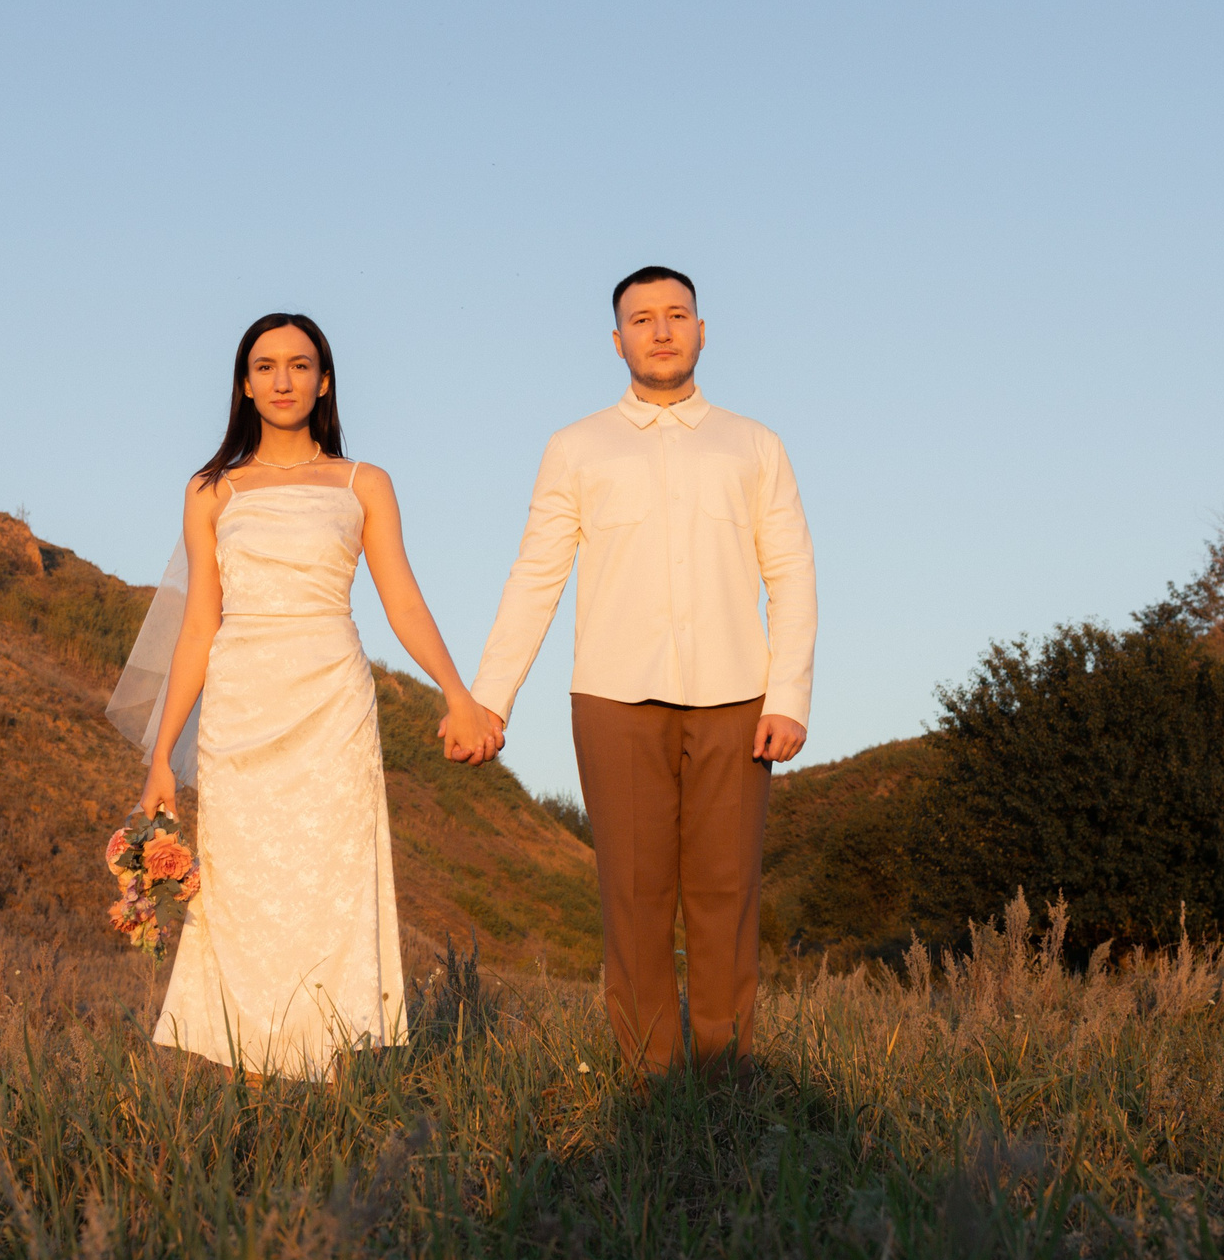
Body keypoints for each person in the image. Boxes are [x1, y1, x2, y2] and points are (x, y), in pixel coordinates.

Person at [115, 311, 501, 1082]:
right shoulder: (211, 489)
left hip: (331, 701)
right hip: (241, 707)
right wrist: (162, 756)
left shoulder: (363, 483)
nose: (282, 379)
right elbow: (199, 625)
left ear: (324, 380)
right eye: (264, 366)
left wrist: (460, 694)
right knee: (245, 891)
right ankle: (253, 1089)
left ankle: (332, 1082)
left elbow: (403, 601)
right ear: (245, 384)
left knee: (333, 884)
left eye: (299, 365)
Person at [465, 267, 816, 1073]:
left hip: (739, 697)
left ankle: (729, 1082)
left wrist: (789, 695)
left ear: (701, 329)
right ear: (616, 339)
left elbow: (792, 573)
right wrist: (490, 698)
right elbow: (535, 575)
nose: (660, 330)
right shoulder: (576, 446)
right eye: (641, 318)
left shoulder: (755, 444)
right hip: (613, 697)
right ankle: (650, 1085)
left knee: (728, 897)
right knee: (634, 895)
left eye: (676, 315)